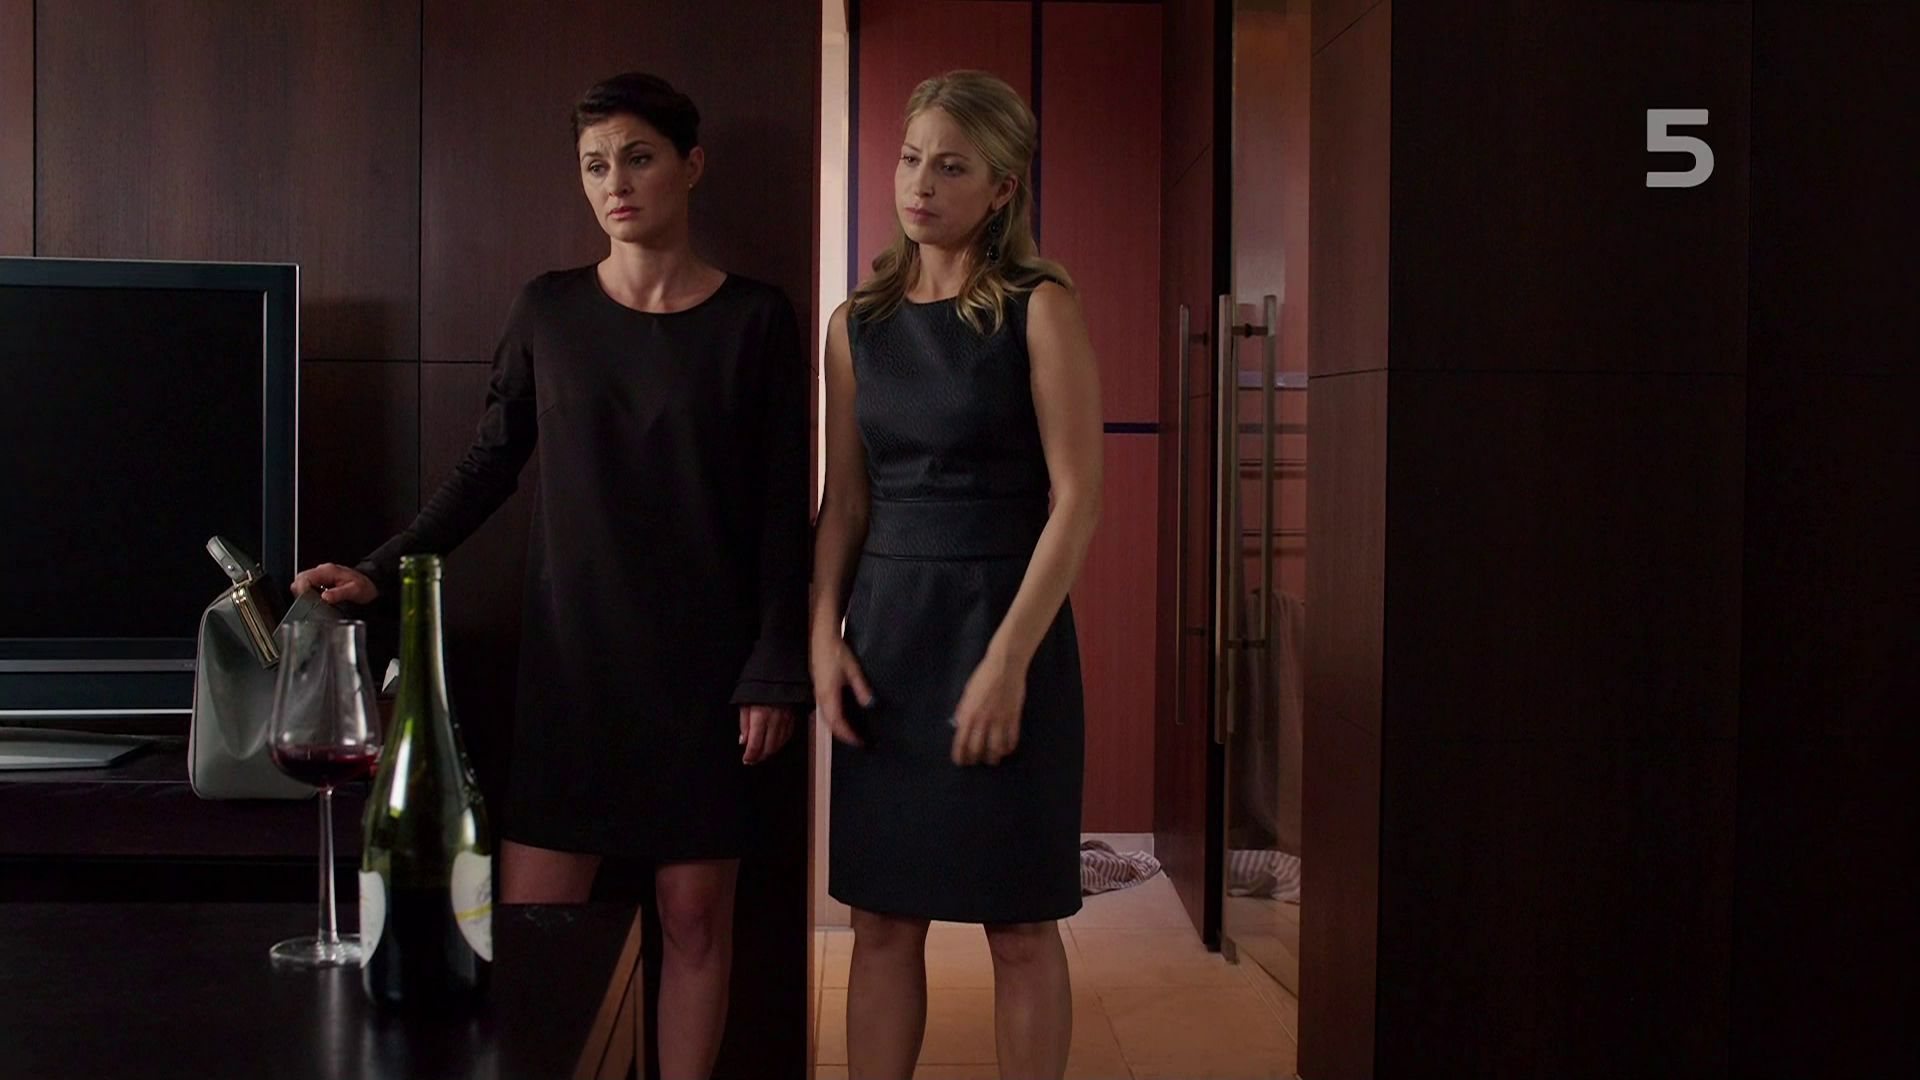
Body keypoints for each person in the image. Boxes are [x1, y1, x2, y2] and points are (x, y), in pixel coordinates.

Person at [291, 72, 810, 1080]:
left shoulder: (756, 319)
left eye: (638, 158)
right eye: (595, 165)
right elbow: (487, 467)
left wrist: (775, 668)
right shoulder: (550, 310)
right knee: (536, 924)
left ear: (691, 165)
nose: (615, 182)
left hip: (709, 673)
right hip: (574, 669)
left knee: (695, 918)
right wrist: (380, 572)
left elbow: (784, 511)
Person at [810, 70, 1104, 1080]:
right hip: (889, 639)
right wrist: (821, 637)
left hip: (1007, 631)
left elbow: (1078, 500)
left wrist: (1009, 662)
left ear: (1002, 187)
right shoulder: (856, 325)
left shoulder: (1039, 307)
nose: (919, 184)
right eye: (910, 159)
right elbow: (845, 504)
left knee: (1019, 925)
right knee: (882, 921)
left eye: (950, 166)